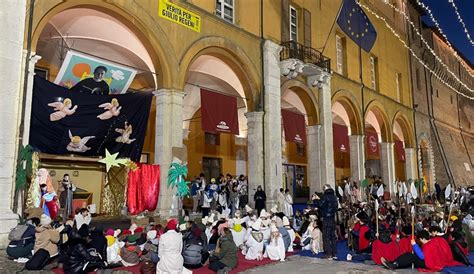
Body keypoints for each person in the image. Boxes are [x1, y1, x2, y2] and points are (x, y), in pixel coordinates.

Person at [381, 230, 462, 271]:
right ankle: (393, 263)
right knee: (410, 256)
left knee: (410, 256)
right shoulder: (435, 241)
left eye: (420, 239)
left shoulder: (428, 245)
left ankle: (394, 264)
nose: (420, 241)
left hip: (428, 264)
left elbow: (422, 256)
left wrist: (414, 245)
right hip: (433, 262)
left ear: (422, 238)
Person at [313, 184, 338, 259]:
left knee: (326, 236)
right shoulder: (334, 197)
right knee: (332, 236)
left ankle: (328, 253)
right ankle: (334, 253)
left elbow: (320, 204)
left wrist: (315, 199)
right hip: (333, 218)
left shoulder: (325, 196)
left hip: (326, 218)